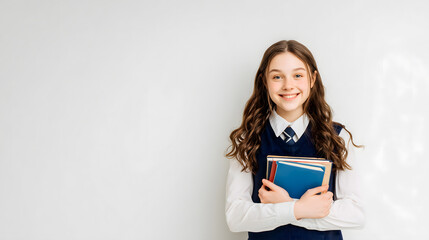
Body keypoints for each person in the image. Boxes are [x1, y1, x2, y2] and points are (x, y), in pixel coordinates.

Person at [225, 40, 365, 240]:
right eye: (277, 77)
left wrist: (288, 206)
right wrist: (298, 209)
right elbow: (235, 217)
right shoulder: (246, 141)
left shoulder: (338, 138)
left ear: (312, 79)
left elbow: (356, 215)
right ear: (265, 81)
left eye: (298, 75)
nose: (288, 85)